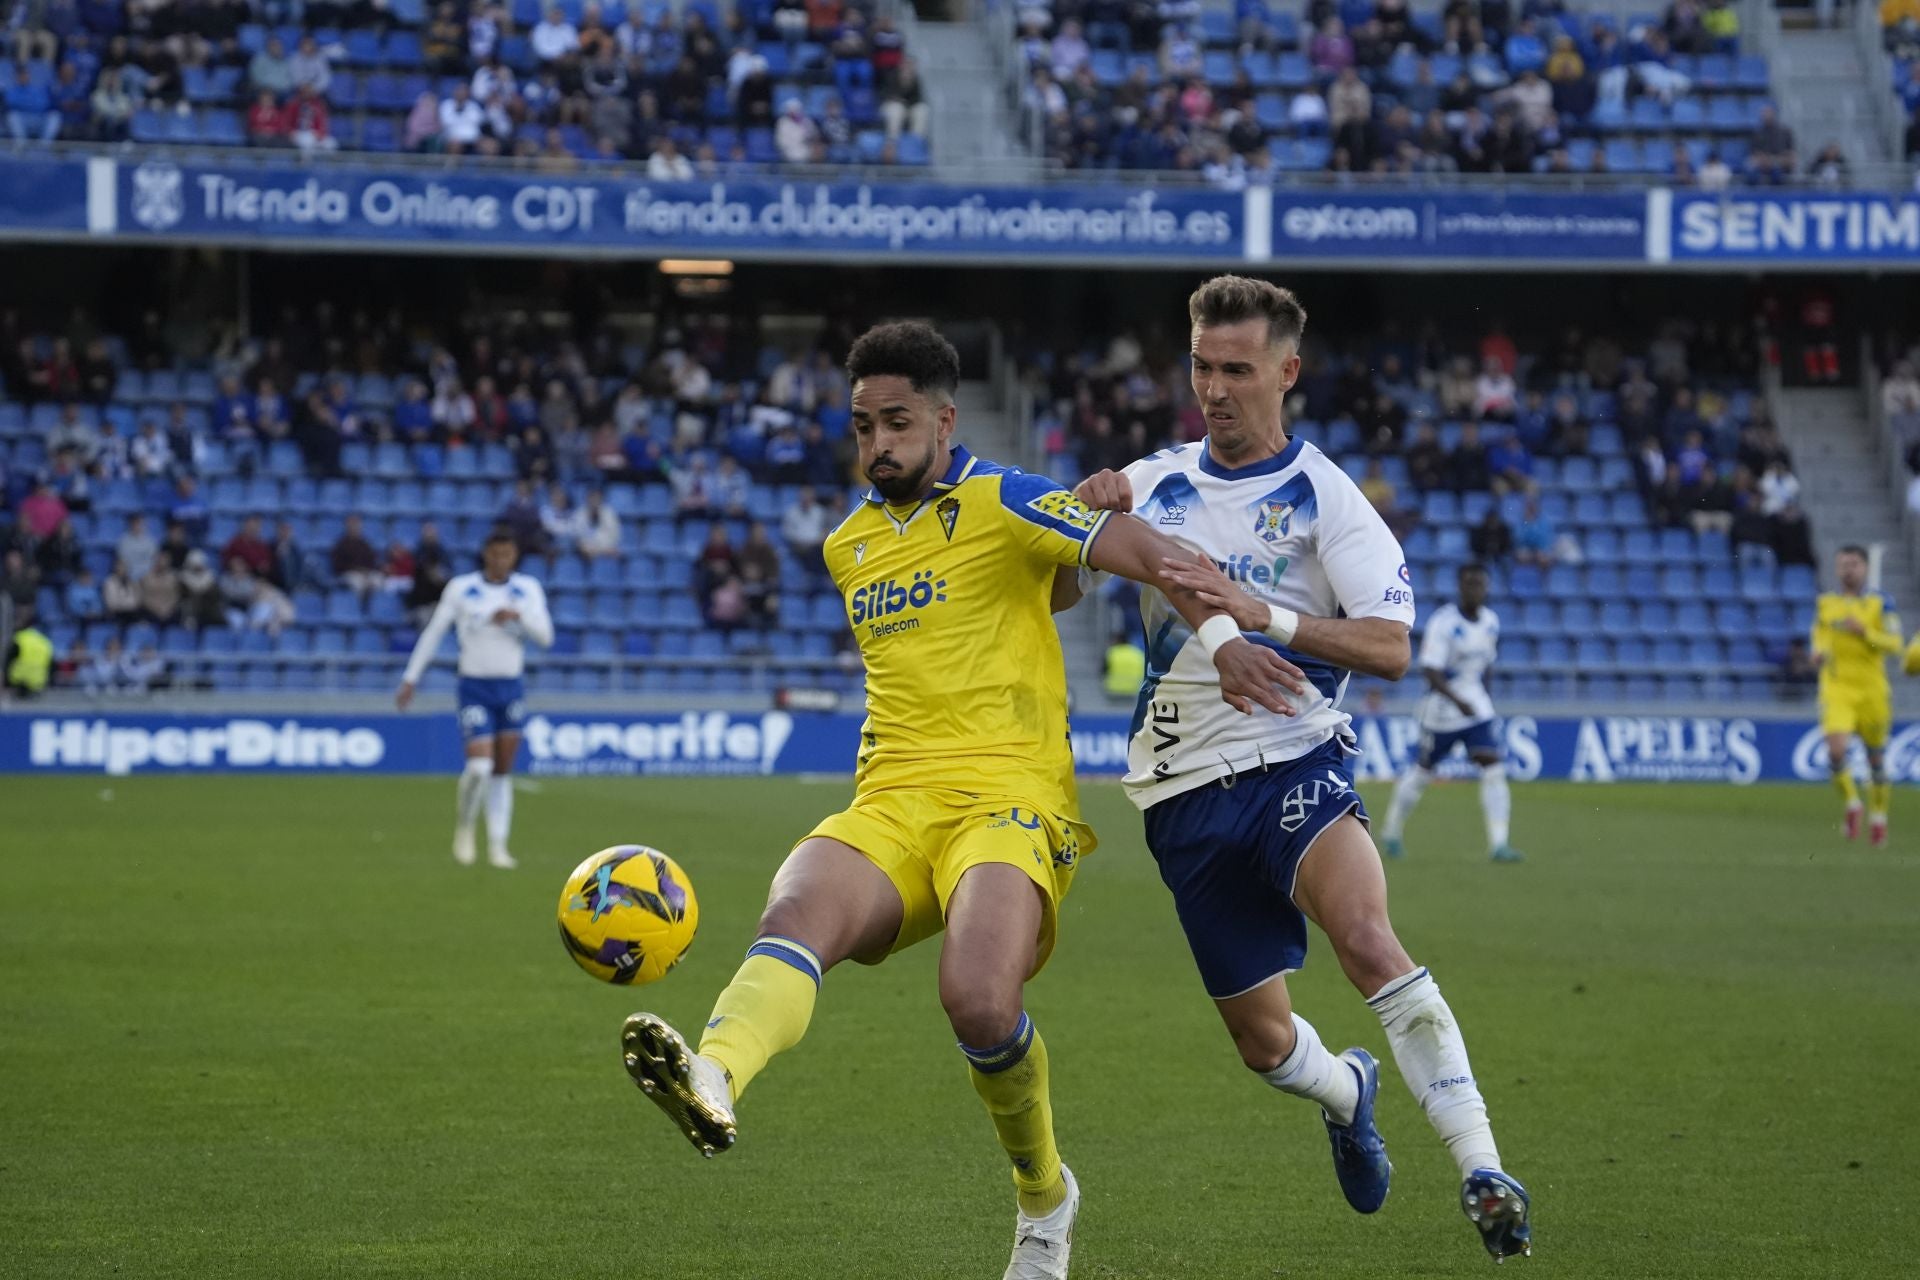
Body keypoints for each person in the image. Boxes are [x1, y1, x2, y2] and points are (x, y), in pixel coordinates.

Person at [616, 321, 1293, 1280]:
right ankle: (713, 1074)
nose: (877, 445)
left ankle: (1044, 1199)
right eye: (861, 427)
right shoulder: (848, 547)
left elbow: (1120, 545)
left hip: (1011, 799)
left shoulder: (1002, 496)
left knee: (978, 1002)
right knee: (795, 910)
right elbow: (1021, 597)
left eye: (896, 423)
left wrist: (1216, 620)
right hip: (892, 795)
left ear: (943, 419)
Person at [1065, 276, 1532, 1263]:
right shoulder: (1153, 481)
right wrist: (1082, 514)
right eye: (1202, 365)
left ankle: (1482, 1164)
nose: (1216, 387)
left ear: (1288, 371)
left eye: (1238, 368)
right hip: (1180, 797)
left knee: (1367, 935)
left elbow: (1393, 646)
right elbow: (1060, 589)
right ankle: (1347, 1090)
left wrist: (1261, 611)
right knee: (1264, 1043)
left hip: (1295, 763)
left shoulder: (1327, 498)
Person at [397, 532, 554, 870]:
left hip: (510, 687)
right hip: (474, 686)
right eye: (495, 554)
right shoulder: (462, 588)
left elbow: (546, 637)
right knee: (479, 767)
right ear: (485, 554)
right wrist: (411, 677)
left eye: (507, 554)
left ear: (514, 556)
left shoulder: (527, 589)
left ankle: (498, 846)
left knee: (501, 771)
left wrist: (518, 617)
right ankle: (465, 827)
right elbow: (434, 632)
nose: (500, 560)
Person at [1378, 563, 1521, 862]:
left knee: (1492, 765)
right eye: (1469, 583)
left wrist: (1483, 699)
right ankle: (1391, 831)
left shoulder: (1491, 622)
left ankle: (1499, 843)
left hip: (1476, 709)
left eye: (1480, 583)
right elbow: (1430, 671)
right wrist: (1458, 700)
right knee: (1422, 771)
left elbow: (1487, 665)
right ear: (1459, 586)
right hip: (1442, 713)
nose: (1475, 589)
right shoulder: (1444, 623)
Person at [1811, 545, 1902, 845]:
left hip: (1872, 691)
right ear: (1837, 569)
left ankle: (1878, 818)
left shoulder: (1882, 604)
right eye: (1843, 564)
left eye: (1854, 564)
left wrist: (1866, 633)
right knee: (1835, 751)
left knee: (1875, 760)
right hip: (1837, 689)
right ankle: (1852, 803)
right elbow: (1820, 635)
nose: (1848, 569)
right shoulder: (1826, 603)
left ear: (1864, 567)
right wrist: (1819, 652)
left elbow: (1894, 644)